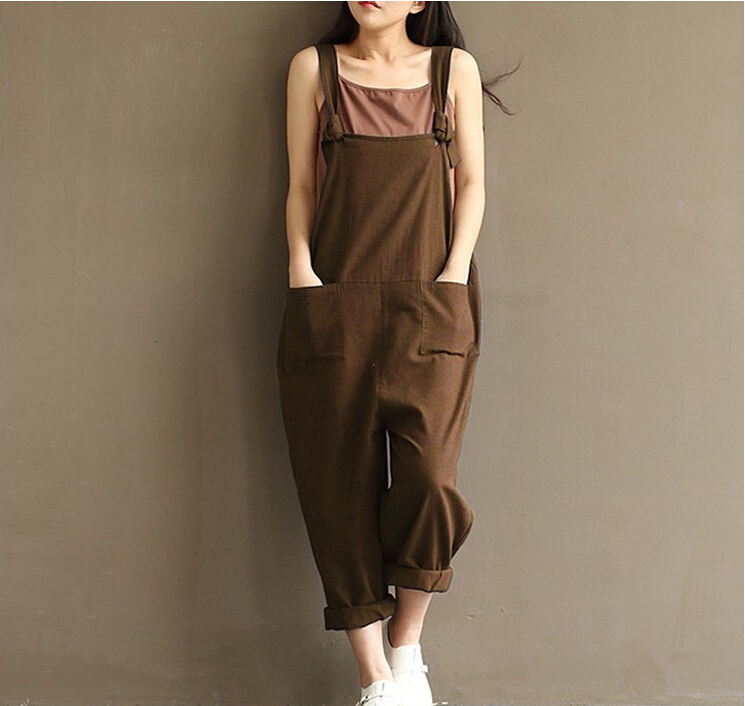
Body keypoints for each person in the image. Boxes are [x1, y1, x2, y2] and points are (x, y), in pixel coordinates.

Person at [276, 3, 517, 705]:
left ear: (420, 1)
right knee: (336, 491)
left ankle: (406, 648)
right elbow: (301, 184)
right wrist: (302, 275)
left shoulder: (451, 70)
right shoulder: (314, 68)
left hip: (430, 300)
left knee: (430, 481)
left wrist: (452, 274)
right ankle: (374, 680)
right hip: (333, 301)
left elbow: (471, 183)